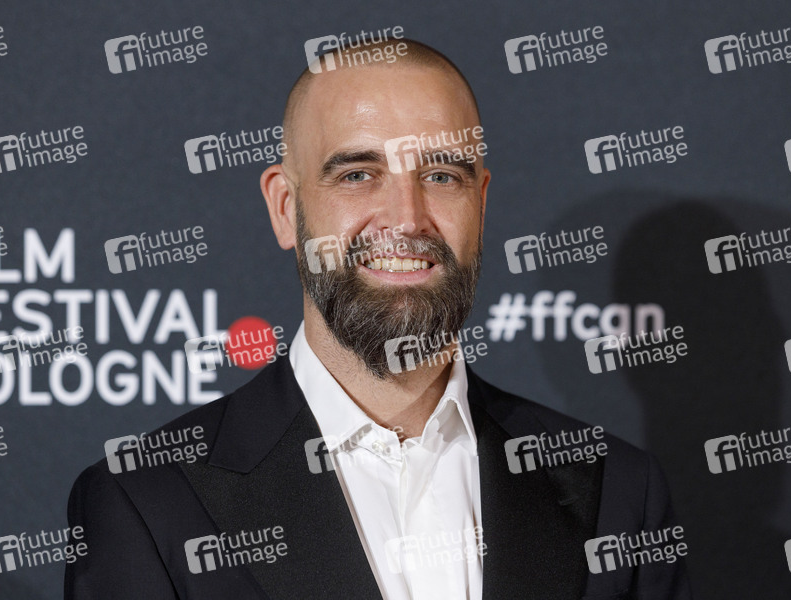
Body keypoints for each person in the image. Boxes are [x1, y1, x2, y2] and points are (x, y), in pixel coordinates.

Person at [65, 39, 691, 599]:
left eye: (441, 175)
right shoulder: (146, 504)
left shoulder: (617, 491)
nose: (406, 217)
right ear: (285, 208)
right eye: (358, 174)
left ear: (480, 204)